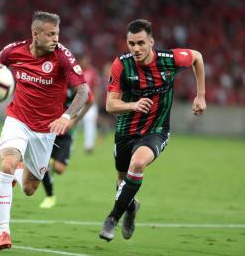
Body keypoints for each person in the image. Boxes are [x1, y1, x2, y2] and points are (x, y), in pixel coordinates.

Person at [0, 11, 88, 250]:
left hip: (46, 131)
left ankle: (18, 172)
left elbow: (83, 91)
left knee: (30, 188)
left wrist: (66, 116)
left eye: (57, 33)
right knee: (6, 163)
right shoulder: (13, 51)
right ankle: (4, 232)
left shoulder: (62, 56)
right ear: (35, 34)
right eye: (51, 34)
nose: (56, 38)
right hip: (18, 120)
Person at [99, 19, 206, 242]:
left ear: (151, 42)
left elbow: (197, 56)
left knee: (138, 163)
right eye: (131, 43)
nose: (136, 49)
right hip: (125, 131)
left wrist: (201, 95)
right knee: (122, 182)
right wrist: (133, 105)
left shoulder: (169, 60)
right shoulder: (121, 64)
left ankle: (112, 219)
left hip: (157, 130)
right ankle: (130, 207)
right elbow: (110, 105)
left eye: (140, 43)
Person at [39, 85, 93, 209]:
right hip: (48, 128)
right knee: (43, 164)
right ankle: (50, 196)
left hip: (66, 132)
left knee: (59, 169)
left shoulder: (78, 84)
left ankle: (48, 167)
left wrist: (75, 120)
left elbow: (90, 102)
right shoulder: (52, 80)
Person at [79, 54, 100, 154]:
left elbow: (96, 87)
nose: (86, 62)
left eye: (87, 60)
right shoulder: (76, 71)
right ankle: (69, 144)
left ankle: (89, 146)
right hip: (77, 102)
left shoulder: (93, 71)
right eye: (84, 60)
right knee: (71, 122)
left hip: (89, 102)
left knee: (90, 122)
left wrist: (94, 100)